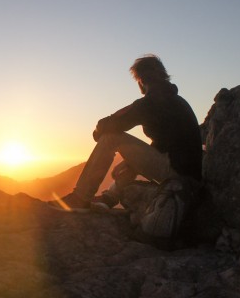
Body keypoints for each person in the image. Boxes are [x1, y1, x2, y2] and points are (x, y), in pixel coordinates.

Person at [49, 54, 203, 212]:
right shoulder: (175, 101)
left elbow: (109, 125)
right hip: (189, 176)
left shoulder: (152, 101)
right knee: (128, 157)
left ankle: (80, 198)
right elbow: (165, 145)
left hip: (178, 176)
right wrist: (131, 161)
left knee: (110, 138)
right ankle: (109, 198)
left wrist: (98, 133)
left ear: (141, 80)